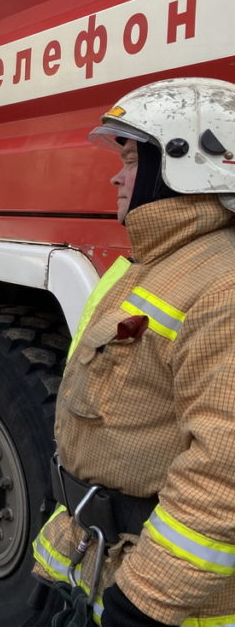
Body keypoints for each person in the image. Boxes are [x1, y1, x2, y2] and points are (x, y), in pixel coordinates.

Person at [32, 78, 235, 626]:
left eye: (130, 157)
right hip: (99, 558)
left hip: (156, 596)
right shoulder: (159, 264)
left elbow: (223, 477)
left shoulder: (223, 287)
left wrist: (143, 605)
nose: (117, 175)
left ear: (183, 161)